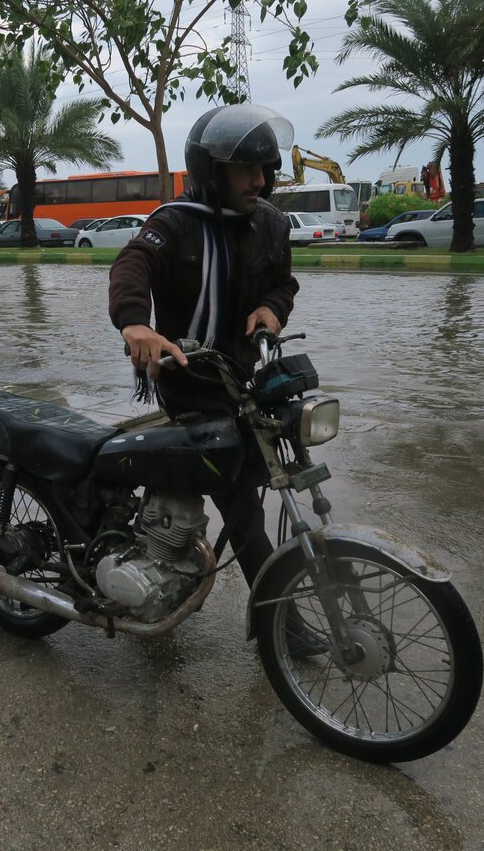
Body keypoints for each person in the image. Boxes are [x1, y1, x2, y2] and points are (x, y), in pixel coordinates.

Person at [108, 104, 322, 655]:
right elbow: (131, 265)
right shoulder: (174, 222)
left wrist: (273, 310)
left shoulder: (271, 224)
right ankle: (282, 628)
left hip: (242, 378)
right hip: (188, 379)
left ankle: (165, 560)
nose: (258, 180)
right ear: (210, 170)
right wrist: (136, 323)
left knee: (268, 471)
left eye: (264, 170)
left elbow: (284, 284)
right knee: (243, 505)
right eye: (244, 170)